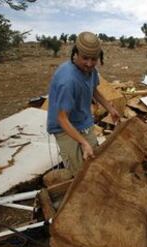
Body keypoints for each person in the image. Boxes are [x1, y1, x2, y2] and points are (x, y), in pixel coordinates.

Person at [47, 31, 119, 176]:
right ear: (76, 53)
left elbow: (93, 90)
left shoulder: (91, 71)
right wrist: (83, 143)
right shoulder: (68, 80)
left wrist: (110, 108)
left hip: (83, 121)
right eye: (85, 58)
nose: (89, 63)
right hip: (64, 127)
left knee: (95, 161)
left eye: (94, 59)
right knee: (81, 172)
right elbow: (62, 119)